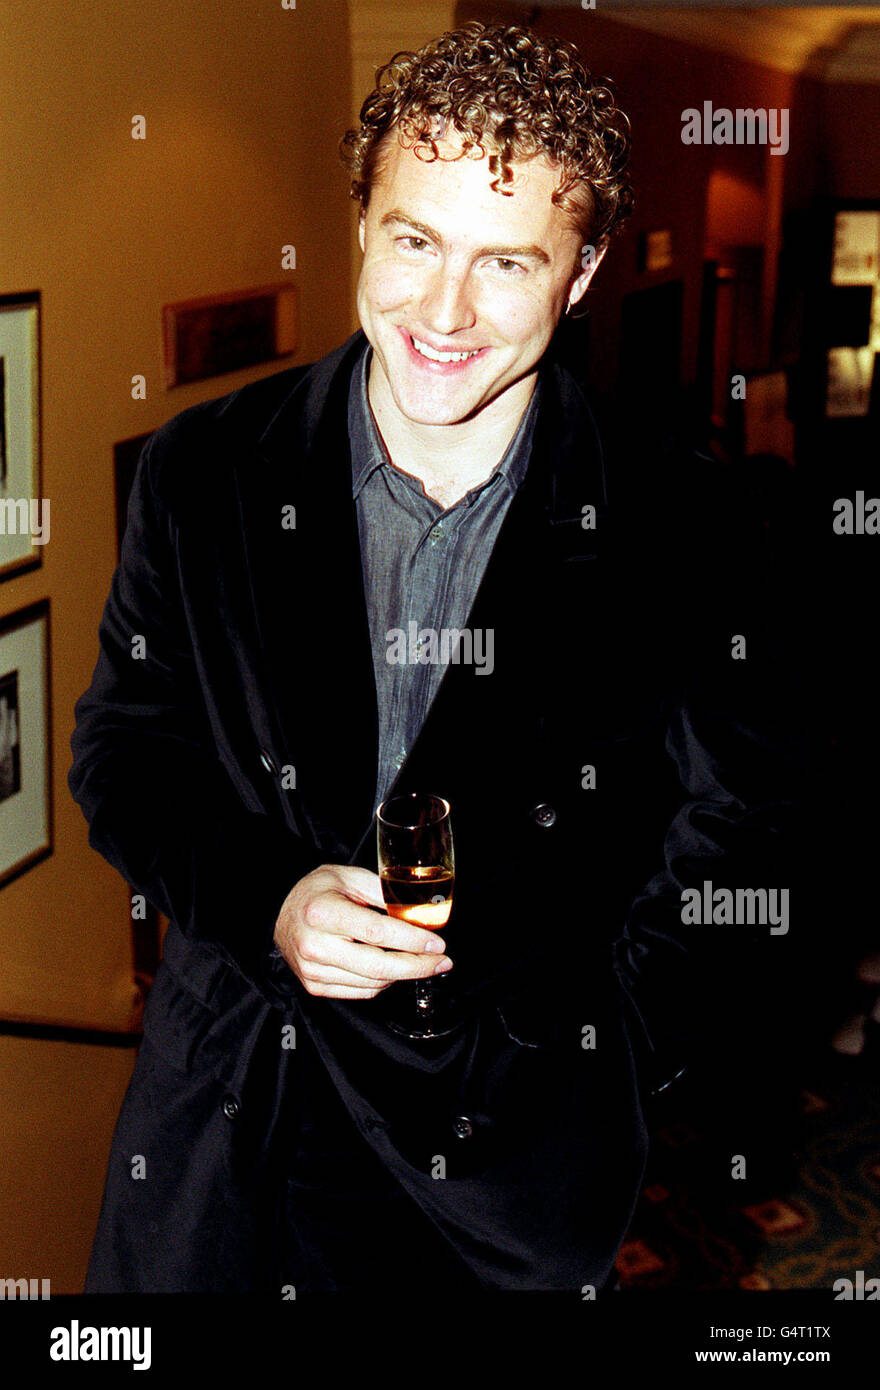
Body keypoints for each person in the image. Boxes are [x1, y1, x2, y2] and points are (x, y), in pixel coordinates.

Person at [70, 21, 806, 1295]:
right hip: (221, 1139)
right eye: (414, 240)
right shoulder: (203, 473)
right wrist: (269, 900)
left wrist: (603, 1054)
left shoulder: (685, 520)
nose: (444, 312)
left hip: (499, 1175)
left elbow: (745, 826)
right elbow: (124, 753)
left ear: (580, 274)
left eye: (505, 262)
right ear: (361, 220)